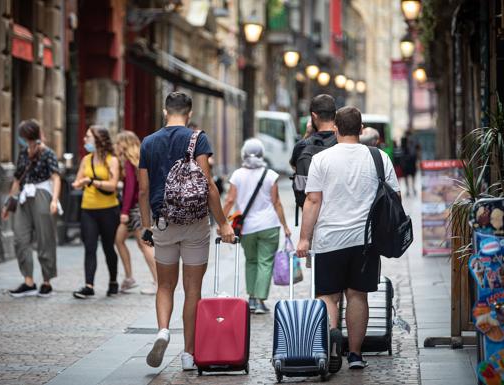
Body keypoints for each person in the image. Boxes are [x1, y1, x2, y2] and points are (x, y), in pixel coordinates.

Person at [296, 106, 401, 371]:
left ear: (335, 129)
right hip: (365, 241)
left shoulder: (322, 159)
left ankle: (332, 346)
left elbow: (312, 200)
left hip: (329, 239)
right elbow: (395, 198)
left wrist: (304, 239)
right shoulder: (378, 157)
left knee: (328, 297)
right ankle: (355, 354)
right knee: (357, 297)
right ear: (361, 128)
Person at [138, 91, 235, 371]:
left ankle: (163, 331)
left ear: (164, 110)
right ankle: (188, 354)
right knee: (193, 290)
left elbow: (143, 190)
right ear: (189, 114)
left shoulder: (148, 143)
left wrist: (147, 225)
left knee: (165, 285)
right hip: (194, 224)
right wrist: (223, 222)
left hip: (163, 222)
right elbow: (209, 186)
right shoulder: (197, 138)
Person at [222, 138, 292, 314]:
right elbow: (276, 203)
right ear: (262, 154)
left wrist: (222, 222)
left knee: (251, 261)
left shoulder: (237, 175)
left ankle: (252, 299)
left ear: (243, 154)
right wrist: (285, 226)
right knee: (265, 262)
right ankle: (260, 301)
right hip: (269, 225)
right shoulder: (270, 175)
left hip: (247, 228)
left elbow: (230, 200)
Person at [3, 119, 61, 298]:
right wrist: (8, 203)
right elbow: (17, 179)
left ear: (29, 135)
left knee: (45, 239)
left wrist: (54, 200)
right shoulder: (23, 153)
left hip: (42, 195)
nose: (21, 139)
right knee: (20, 239)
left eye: (23, 135)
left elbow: (56, 177)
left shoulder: (47, 153)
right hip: (23, 198)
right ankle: (28, 281)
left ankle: (46, 281)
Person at [72, 125, 121, 298]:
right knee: (90, 247)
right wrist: (79, 183)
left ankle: (113, 282)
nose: (85, 140)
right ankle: (89, 285)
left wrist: (92, 181)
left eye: (88, 137)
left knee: (108, 247)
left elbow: (113, 185)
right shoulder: (86, 160)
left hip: (108, 210)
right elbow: (78, 180)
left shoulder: (111, 160)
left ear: (98, 139)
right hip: (88, 209)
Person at [114, 130, 158, 294]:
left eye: (118, 143)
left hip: (134, 210)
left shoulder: (128, 163)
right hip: (138, 208)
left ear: (125, 144)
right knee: (119, 239)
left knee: (145, 245)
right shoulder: (138, 161)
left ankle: (158, 282)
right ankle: (129, 278)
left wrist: (124, 211)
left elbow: (131, 189)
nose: (115, 147)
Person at [289, 94, 337, 172]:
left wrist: (307, 134)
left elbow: (294, 166)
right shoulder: (342, 141)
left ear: (314, 116)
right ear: (335, 115)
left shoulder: (302, 145)